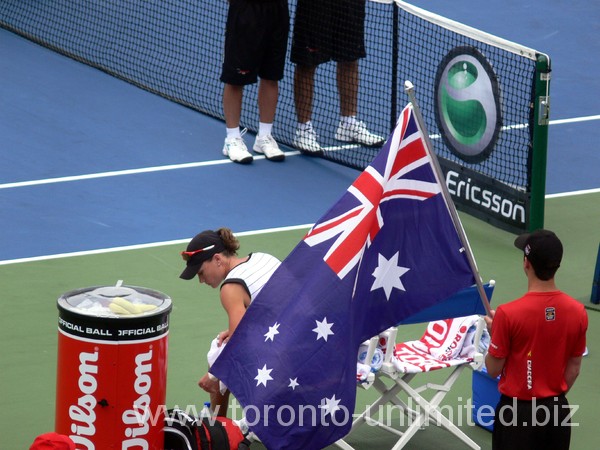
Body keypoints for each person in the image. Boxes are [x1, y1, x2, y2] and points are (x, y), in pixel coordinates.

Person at [484, 229, 588, 450]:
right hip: (557, 412)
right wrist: (548, 398)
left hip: (516, 415)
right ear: (556, 265)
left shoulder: (507, 314)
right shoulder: (578, 311)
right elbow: (574, 368)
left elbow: (493, 369)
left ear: (526, 263)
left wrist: (496, 333)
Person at [179, 228, 281, 416]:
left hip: (285, 358)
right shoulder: (262, 257)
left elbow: (238, 344)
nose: (201, 280)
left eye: (201, 272)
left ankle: (218, 426)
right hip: (309, 337)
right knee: (228, 342)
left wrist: (212, 376)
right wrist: (241, 328)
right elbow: (276, 307)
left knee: (218, 349)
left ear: (217, 259)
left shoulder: (231, 287)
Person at [290, 0, 384, 154]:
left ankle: (348, 123)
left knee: (350, 58)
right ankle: (303, 130)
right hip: (315, 6)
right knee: (307, 61)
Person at [220, 0, 289, 164]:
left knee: (271, 77)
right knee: (235, 79)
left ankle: (264, 137)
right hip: (246, 10)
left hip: (278, 11)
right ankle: (232, 139)